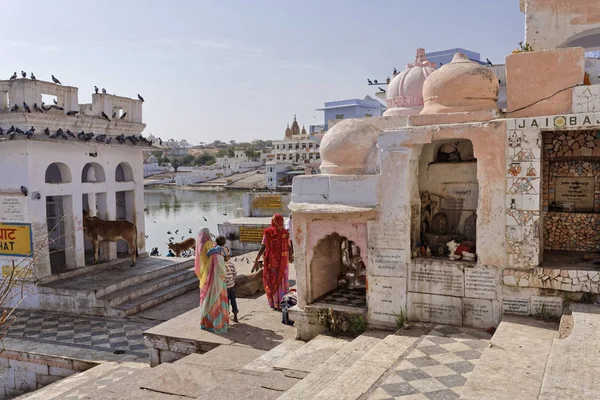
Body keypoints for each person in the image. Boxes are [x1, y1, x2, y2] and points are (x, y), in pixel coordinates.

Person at [252, 214, 293, 310]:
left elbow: (263, 246)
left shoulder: (268, 232)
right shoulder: (285, 233)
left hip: (272, 261)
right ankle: (283, 302)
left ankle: (275, 303)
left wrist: (257, 259)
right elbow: (289, 246)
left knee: (272, 281)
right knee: (282, 280)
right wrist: (290, 257)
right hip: (283, 261)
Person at [195, 229, 229, 333]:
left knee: (207, 299)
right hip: (216, 278)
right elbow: (220, 262)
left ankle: (207, 324)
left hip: (205, 278)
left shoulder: (199, 248)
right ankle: (218, 324)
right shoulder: (212, 245)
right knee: (216, 299)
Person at [223, 246, 239, 323]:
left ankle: (227, 316)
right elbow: (235, 274)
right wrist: (232, 281)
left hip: (224, 287)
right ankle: (235, 315)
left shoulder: (221, 265)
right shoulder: (231, 264)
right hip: (231, 286)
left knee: (226, 302)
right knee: (233, 300)